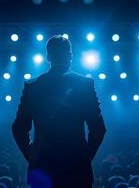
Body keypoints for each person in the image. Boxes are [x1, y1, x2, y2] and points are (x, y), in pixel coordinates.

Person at [12, 35, 106, 188]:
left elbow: (18, 128)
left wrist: (32, 156)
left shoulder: (32, 86)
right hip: (77, 171)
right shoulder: (85, 84)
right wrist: (85, 157)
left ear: (47, 56)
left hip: (43, 170)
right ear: (70, 56)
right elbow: (99, 129)